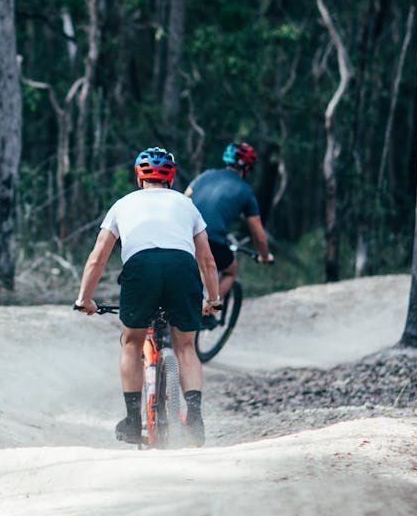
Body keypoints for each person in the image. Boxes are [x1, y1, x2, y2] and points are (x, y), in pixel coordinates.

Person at [75, 147, 221, 447]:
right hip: (182, 268)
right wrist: (213, 298)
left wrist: (84, 299)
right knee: (185, 346)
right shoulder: (186, 204)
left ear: (139, 178)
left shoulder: (122, 204)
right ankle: (194, 417)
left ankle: (132, 421)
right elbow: (206, 260)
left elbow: (97, 258)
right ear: (171, 178)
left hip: (141, 268)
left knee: (131, 341)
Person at [184, 141, 274, 313]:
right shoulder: (246, 191)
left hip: (182, 234)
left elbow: (184, 198)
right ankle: (208, 309)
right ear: (247, 167)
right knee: (231, 270)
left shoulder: (205, 175)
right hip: (211, 240)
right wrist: (264, 256)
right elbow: (259, 236)